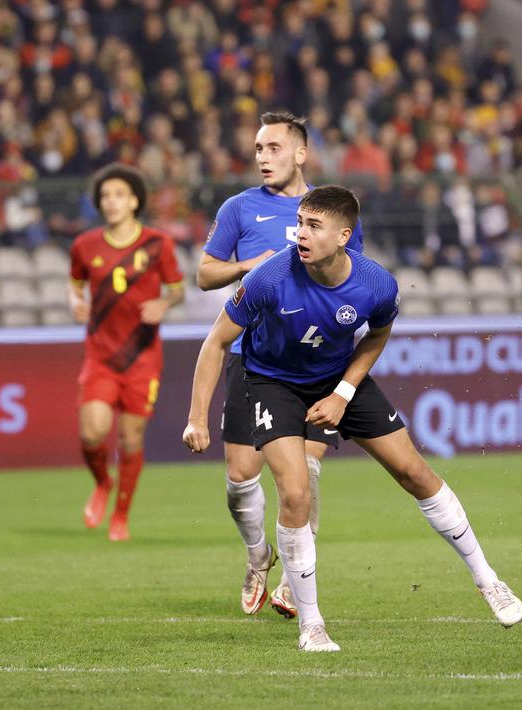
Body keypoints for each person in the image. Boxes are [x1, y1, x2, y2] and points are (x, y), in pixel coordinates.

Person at [183, 185, 522, 652]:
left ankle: (489, 580)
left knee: (414, 472)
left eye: (312, 226)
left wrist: (344, 392)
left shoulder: (377, 283)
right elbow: (216, 341)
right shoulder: (268, 278)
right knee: (296, 493)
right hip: (271, 383)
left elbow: (377, 335)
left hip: (338, 379)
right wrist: (196, 417)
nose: (299, 233)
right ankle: (312, 625)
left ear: (344, 236)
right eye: (300, 222)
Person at [196, 111, 365, 620]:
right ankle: (257, 558)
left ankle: (296, 579)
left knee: (304, 477)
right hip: (254, 361)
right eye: (257, 148)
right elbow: (204, 274)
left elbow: (353, 277)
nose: (262, 157)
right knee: (241, 475)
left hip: (315, 363)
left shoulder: (332, 212)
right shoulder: (239, 208)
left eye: (272, 147)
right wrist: (249, 265)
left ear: (300, 153)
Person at [70, 164, 184, 541]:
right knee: (92, 433)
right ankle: (102, 482)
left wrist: (164, 305)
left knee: (130, 440)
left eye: (119, 194)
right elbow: (74, 284)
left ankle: (121, 515)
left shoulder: (158, 243)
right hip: (100, 355)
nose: (111, 201)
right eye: (105, 196)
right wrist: (74, 301)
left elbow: (178, 288)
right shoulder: (84, 246)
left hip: (142, 358)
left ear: (134, 201)